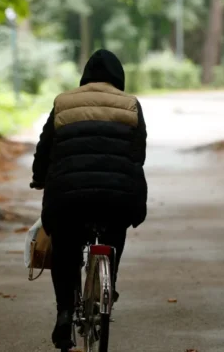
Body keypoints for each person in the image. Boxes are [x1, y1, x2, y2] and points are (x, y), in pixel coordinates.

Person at [30, 49, 148, 349]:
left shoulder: (63, 103)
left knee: (66, 246)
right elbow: (138, 154)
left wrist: (39, 178)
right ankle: (111, 285)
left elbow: (45, 149)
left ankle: (64, 312)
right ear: (119, 77)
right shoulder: (131, 105)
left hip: (68, 198)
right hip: (117, 197)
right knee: (115, 229)